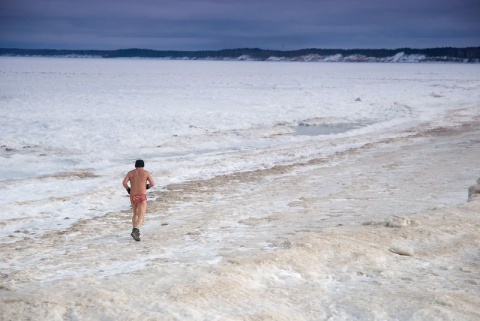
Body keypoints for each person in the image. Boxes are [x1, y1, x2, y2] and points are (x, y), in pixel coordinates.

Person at [122, 159, 155, 241]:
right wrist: (146, 187)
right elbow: (152, 184)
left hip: (133, 196)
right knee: (141, 215)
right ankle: (136, 230)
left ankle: (134, 229)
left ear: (135, 165)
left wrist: (128, 190)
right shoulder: (146, 173)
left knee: (135, 214)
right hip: (141, 196)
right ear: (143, 166)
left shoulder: (130, 173)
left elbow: (124, 183)